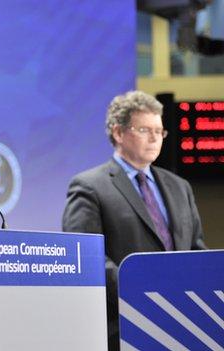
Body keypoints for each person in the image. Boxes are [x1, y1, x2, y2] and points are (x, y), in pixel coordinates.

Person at [61, 90, 207, 351]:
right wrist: (141, 293)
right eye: (144, 130)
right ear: (118, 133)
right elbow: (85, 256)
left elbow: (196, 249)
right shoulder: (89, 186)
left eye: (159, 131)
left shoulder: (179, 186)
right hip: (124, 325)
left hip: (184, 324)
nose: (154, 138)